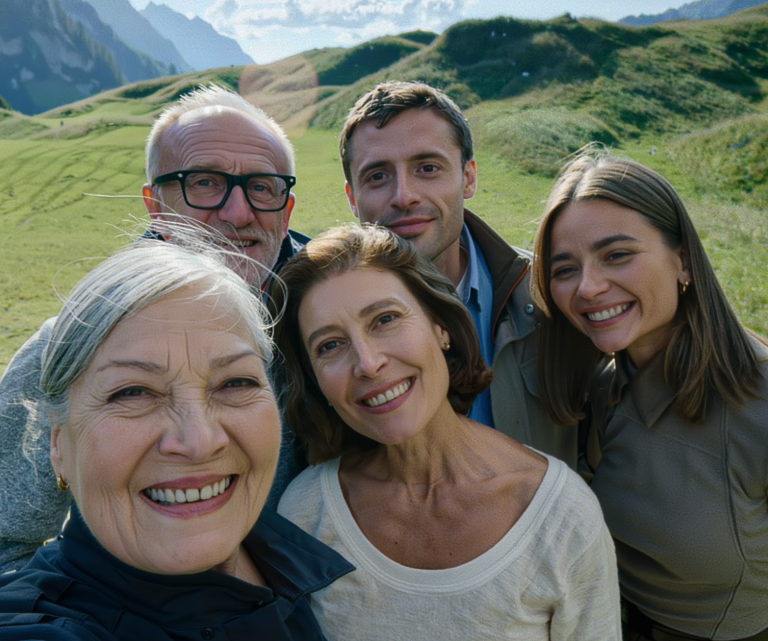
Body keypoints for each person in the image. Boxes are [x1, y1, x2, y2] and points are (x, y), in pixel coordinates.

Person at [0, 85, 308, 573]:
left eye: (263, 186)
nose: (237, 212)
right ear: (156, 206)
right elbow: (4, 538)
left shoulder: (332, 337)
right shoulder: (79, 343)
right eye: (204, 182)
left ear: (286, 213)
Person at [271, 224, 621, 641]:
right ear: (315, 381)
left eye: (385, 319)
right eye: (329, 345)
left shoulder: (560, 517)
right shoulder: (306, 512)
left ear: (442, 327)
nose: (367, 363)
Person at [0, 232, 353, 639]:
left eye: (235, 383)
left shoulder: (300, 559)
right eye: (133, 392)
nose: (200, 441)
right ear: (57, 443)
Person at [530, 149, 768, 641]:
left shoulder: (759, 399)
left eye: (617, 255)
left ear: (682, 261)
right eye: (565, 269)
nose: (589, 288)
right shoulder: (600, 387)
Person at [338, 81, 576, 470]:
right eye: (378, 176)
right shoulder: (323, 323)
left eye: (427, 168)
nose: (404, 195)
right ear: (352, 198)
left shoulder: (551, 294)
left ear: (468, 178)